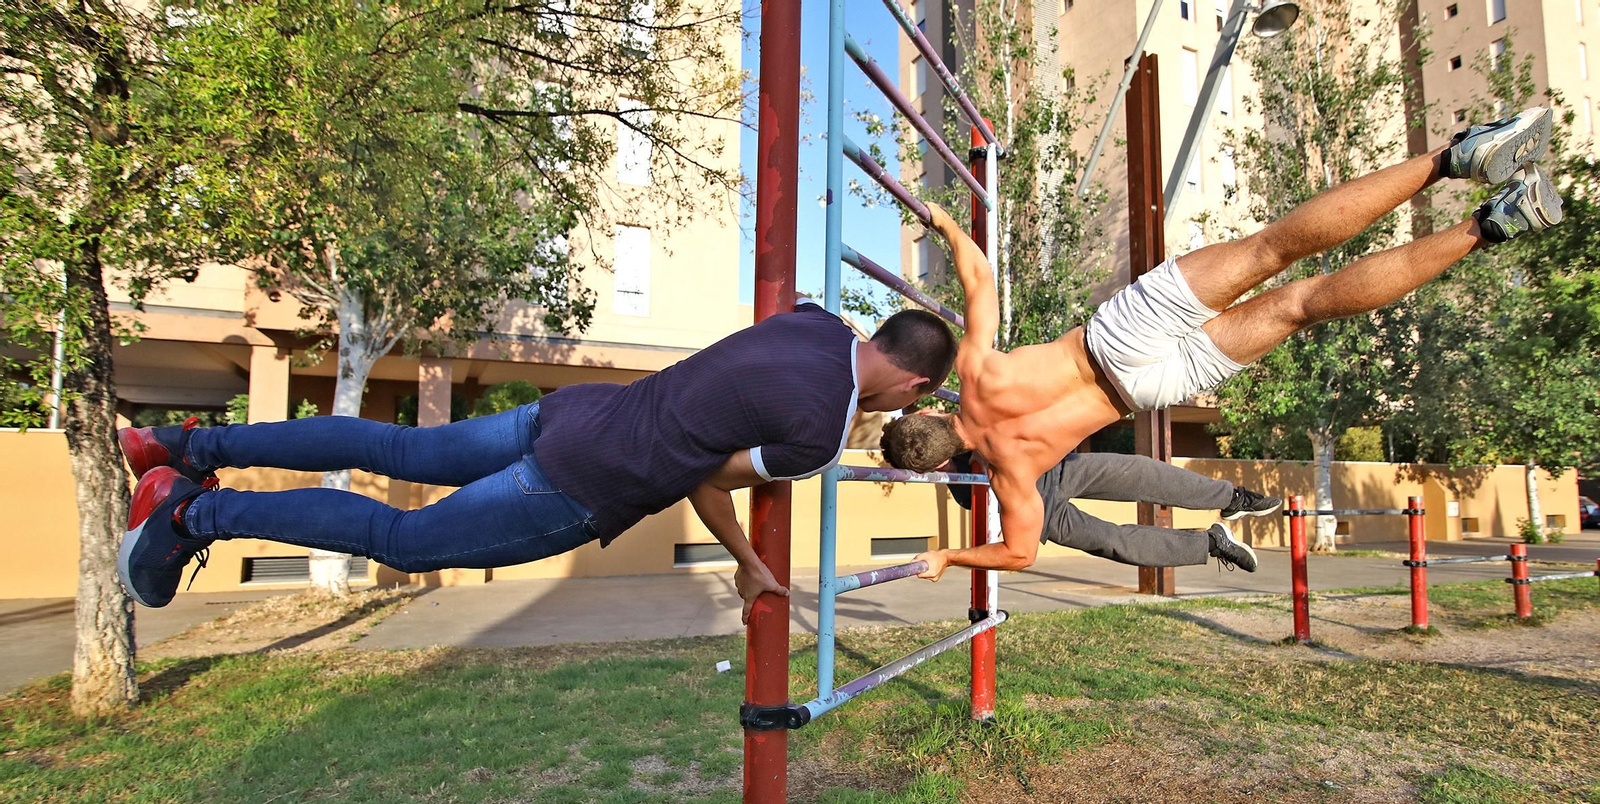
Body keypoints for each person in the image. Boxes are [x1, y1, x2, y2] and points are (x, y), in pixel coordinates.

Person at [881, 108, 1563, 579]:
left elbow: (1020, 553)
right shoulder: (976, 372)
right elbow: (979, 278)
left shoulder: (1010, 476)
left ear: (943, 464)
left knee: (1301, 306)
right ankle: (1454, 158)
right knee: (1272, 248)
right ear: (929, 409)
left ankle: (1491, 225)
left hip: (1144, 387)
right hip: (1118, 334)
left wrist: (948, 557)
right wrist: (945, 222)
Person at [118, 301, 958, 618]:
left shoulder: (815, 322)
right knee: (401, 540)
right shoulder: (819, 435)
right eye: (912, 399)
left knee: (393, 444)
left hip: (575, 411)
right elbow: (708, 477)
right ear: (915, 383)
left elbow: (742, 387)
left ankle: (183, 447)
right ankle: (190, 513)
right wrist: (747, 562)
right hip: (581, 483)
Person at [945, 451, 1281, 571]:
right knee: (1116, 544)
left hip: (1056, 470)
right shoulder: (958, 484)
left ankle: (1232, 498)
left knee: (1143, 474)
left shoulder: (955, 428)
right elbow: (1016, 546)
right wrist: (949, 557)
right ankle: (1213, 543)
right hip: (1040, 516)